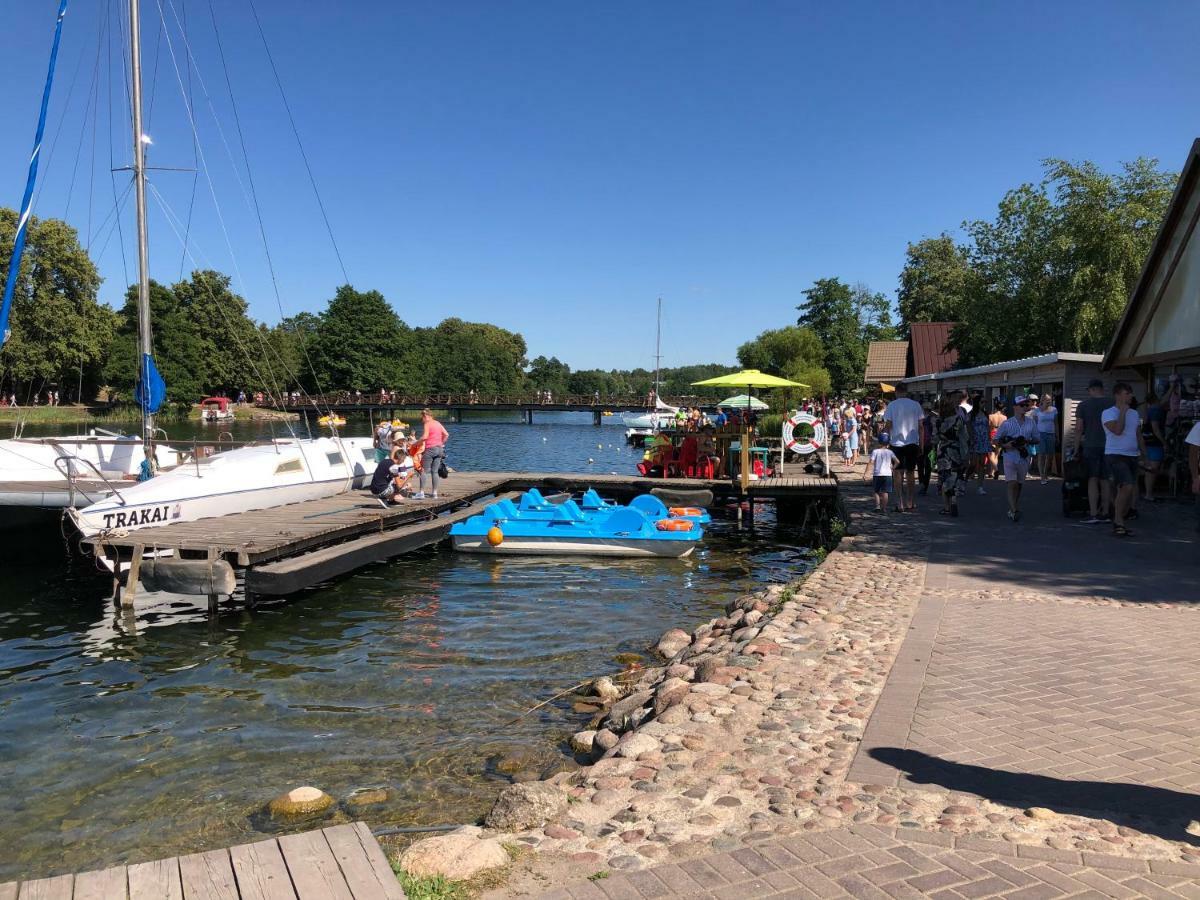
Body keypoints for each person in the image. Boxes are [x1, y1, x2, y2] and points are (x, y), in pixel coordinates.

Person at [1102, 382, 1143, 538]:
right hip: (1115, 454)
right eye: (1127, 393)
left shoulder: (1134, 413)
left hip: (1133, 454)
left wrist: (1144, 454)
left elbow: (1138, 434)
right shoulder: (1108, 413)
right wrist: (1123, 412)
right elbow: (1118, 431)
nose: (1130, 396)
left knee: (1127, 490)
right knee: (1127, 486)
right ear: (1118, 395)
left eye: (1131, 393)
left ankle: (1119, 516)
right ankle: (1118, 521)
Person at [1072, 379, 1112, 524]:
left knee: (1092, 479)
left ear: (1093, 389)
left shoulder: (1083, 405)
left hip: (1090, 445)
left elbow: (1078, 429)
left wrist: (1076, 448)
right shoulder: (1112, 403)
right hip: (1109, 446)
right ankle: (1106, 512)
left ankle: (1094, 513)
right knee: (1105, 479)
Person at [995, 394, 1039, 522]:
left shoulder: (1031, 423)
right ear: (1015, 407)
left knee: (1019, 485)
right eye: (1022, 405)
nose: (1025, 407)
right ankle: (1014, 510)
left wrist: (1028, 440)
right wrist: (1006, 444)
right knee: (1011, 483)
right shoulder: (1007, 423)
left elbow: (1037, 439)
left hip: (1024, 456)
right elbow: (995, 439)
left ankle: (1013, 507)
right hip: (1009, 455)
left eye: (1027, 404)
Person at [884, 383, 925, 512]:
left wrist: (884, 440)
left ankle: (899, 502)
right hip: (912, 442)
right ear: (907, 392)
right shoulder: (916, 405)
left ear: (896, 392)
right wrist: (921, 445)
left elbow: (888, 424)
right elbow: (921, 427)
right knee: (911, 472)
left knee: (897, 472)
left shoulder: (892, 405)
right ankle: (910, 501)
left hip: (896, 443)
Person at [935, 395, 969, 516]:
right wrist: (965, 456)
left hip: (943, 451)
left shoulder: (938, 421)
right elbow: (964, 438)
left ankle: (946, 507)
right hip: (956, 450)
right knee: (954, 476)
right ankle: (954, 499)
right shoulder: (958, 419)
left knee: (945, 477)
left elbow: (934, 438)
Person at [414, 408, 449, 499]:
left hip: (430, 449)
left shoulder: (427, 424)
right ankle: (434, 493)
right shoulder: (438, 423)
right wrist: (441, 443)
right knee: (435, 472)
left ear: (426, 416)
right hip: (440, 449)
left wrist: (415, 443)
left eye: (422, 418)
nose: (422, 420)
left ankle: (421, 493)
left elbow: (425, 437)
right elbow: (446, 434)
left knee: (423, 471)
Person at [1139, 390, 1166, 502]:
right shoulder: (1155, 410)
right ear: (1156, 399)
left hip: (1147, 441)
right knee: (1152, 470)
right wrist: (1164, 442)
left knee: (1149, 469)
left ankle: (1148, 493)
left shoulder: (1148, 410)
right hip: (1155, 443)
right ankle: (1148, 494)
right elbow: (1155, 428)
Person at [1033, 394, 1059, 483]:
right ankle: (1042, 477)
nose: (1049, 401)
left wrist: (1057, 436)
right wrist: (1034, 435)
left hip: (1051, 434)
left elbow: (1056, 423)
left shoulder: (1054, 410)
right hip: (1041, 434)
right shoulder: (1037, 411)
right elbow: (1035, 424)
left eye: (1050, 399)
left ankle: (1045, 473)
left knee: (1050, 456)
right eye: (1047, 400)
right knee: (1041, 455)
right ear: (1042, 400)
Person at [969, 394, 991, 493]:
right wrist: (970, 438)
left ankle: (980, 486)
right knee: (973, 464)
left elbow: (988, 427)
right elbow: (968, 427)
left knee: (982, 464)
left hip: (984, 440)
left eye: (985, 402)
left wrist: (989, 440)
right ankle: (964, 480)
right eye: (982, 402)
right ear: (977, 403)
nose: (984, 404)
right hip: (975, 440)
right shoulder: (971, 414)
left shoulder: (985, 413)